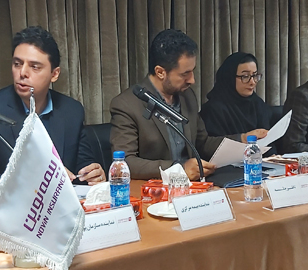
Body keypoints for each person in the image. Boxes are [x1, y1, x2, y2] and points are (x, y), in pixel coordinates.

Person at [110, 29, 265, 180]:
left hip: (195, 187)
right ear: (160, 72)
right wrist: (179, 169)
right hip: (156, 189)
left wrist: (242, 139)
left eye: (192, 71)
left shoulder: (187, 96)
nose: (192, 80)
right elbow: (126, 162)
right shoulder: (127, 105)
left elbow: (202, 143)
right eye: (185, 74)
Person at [0, 26, 105, 186]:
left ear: (54, 74)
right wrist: (31, 181)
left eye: (34, 67)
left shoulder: (71, 111)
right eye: (17, 64)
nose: (22, 73)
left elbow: (81, 166)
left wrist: (92, 175)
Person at [200, 52, 272, 138]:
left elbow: (268, 139)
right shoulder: (213, 110)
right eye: (245, 76)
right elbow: (214, 144)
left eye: (254, 75)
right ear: (229, 78)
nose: (252, 82)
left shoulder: (258, 103)